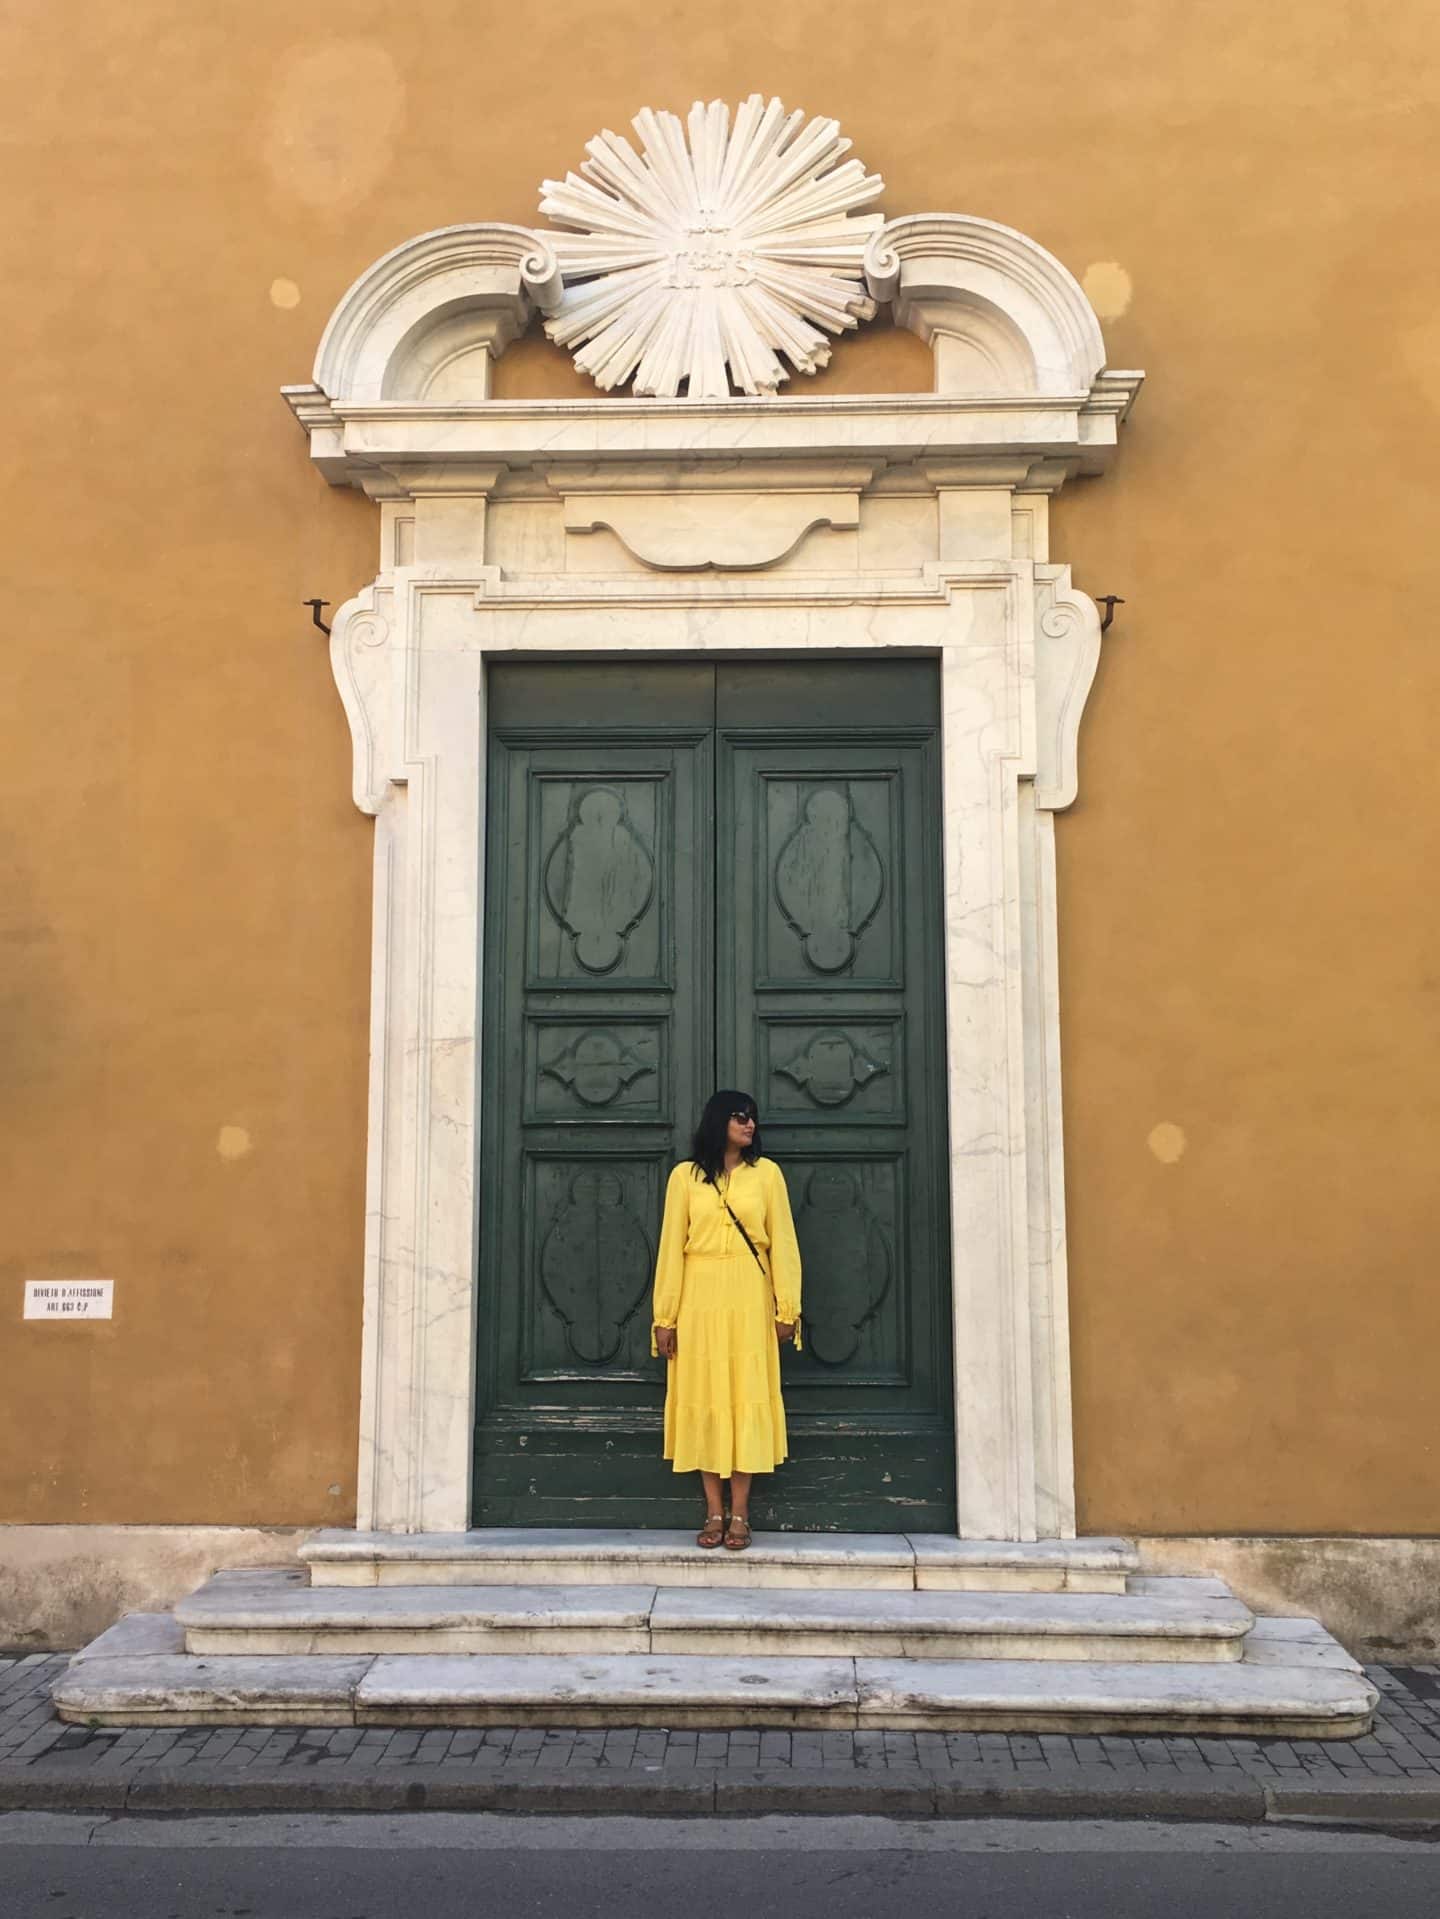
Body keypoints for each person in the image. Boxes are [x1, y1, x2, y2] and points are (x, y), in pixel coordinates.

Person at [651, 1090, 802, 1551]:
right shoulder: (685, 1178)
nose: (749, 1125)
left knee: (745, 1395)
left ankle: (741, 1513)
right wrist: (665, 1317)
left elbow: (784, 1245)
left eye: (752, 1118)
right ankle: (712, 1511)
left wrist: (787, 1308)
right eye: (740, 1117)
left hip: (748, 1296)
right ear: (719, 1121)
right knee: (705, 1395)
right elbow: (671, 1248)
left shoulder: (768, 1175)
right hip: (699, 1296)